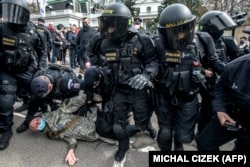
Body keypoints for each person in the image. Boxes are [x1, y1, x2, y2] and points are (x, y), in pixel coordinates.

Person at [85, 3, 159, 162]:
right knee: (118, 126)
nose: (108, 29)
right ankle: (123, 147)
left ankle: (146, 126)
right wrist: (104, 68)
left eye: (111, 25)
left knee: (141, 122)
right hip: (117, 91)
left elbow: (153, 62)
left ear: (122, 24)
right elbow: (92, 54)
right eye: (106, 24)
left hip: (138, 92)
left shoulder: (142, 40)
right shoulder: (105, 42)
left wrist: (146, 76)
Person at [153, 3, 205, 151]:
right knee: (165, 132)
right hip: (165, 96)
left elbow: (214, 64)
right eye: (173, 33)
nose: (178, 36)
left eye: (181, 31)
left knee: (182, 135)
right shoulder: (158, 45)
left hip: (188, 97)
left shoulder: (200, 42)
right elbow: (152, 63)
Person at [0, 0, 47, 150]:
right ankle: (6, 131)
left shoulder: (34, 32)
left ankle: (32, 117)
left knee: (41, 92)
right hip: (7, 71)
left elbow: (43, 52)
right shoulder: (2, 28)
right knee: (5, 102)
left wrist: (42, 71)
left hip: (27, 70)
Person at [28, 93, 101, 166]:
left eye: (37, 120)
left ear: (39, 117)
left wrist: (95, 97)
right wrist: (71, 151)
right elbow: (69, 139)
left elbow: (76, 101)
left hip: (96, 119)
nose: (38, 123)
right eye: (36, 125)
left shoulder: (57, 112)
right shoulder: (51, 135)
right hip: (95, 135)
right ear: (37, 131)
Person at [196, 10, 237, 134]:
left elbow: (234, 59)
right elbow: (194, 63)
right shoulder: (199, 42)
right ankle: (202, 133)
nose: (222, 31)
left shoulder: (223, 42)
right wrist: (203, 71)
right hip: (208, 82)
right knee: (208, 109)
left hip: (223, 79)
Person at [197, 54, 250, 151]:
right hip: (231, 116)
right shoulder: (234, 67)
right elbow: (220, 89)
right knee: (204, 144)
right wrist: (220, 110)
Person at [16, 64, 83, 133]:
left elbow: (85, 86)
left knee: (68, 115)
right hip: (52, 92)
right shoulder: (37, 76)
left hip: (68, 94)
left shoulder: (67, 82)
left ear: (50, 86)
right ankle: (28, 120)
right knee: (34, 98)